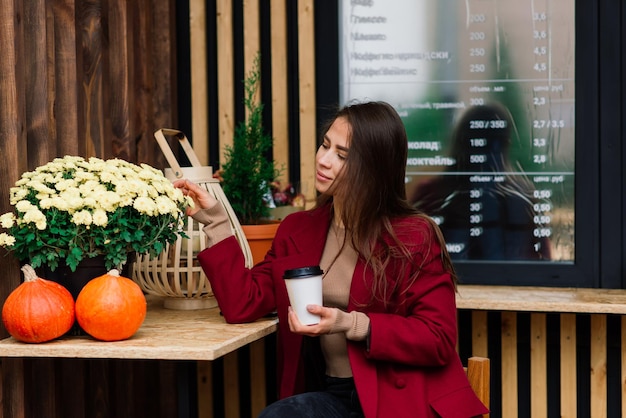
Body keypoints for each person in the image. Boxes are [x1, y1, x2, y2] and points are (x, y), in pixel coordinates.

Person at [175, 101, 489, 418]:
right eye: (325, 145)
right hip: (333, 395)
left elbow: (437, 338)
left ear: (375, 168)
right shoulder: (298, 229)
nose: (324, 161)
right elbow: (243, 302)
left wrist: (350, 324)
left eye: (342, 156)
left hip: (403, 402)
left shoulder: (414, 235)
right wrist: (214, 219)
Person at [410, 103, 552, 260]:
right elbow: (544, 263)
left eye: (495, 143)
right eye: (484, 143)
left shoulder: (432, 195)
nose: (490, 152)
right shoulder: (523, 198)